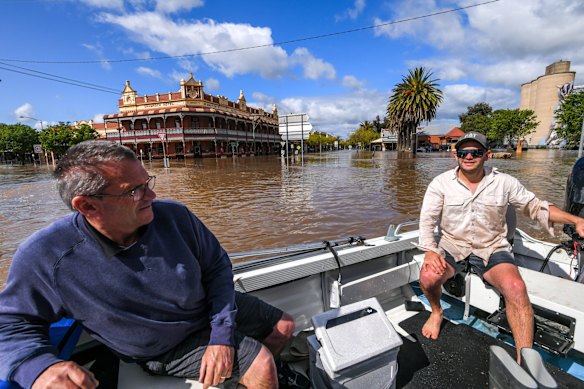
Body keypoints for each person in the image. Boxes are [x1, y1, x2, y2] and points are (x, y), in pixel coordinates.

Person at [0, 140, 295, 389]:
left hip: (204, 309)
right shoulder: (46, 255)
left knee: (283, 326)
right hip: (164, 346)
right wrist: (37, 368)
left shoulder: (176, 217)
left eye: (147, 183)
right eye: (134, 191)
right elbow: (10, 324)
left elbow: (217, 267)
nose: (151, 195)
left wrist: (221, 335)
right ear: (87, 206)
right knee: (261, 366)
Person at [418, 131, 584, 362]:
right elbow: (427, 221)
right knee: (427, 277)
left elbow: (536, 207)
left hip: (492, 248)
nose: (468, 156)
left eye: (475, 152)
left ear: (487, 155)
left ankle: (524, 360)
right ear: (455, 156)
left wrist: (576, 220)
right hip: (453, 245)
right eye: (463, 152)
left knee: (516, 288)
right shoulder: (440, 184)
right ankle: (437, 312)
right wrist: (430, 250)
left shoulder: (504, 182)